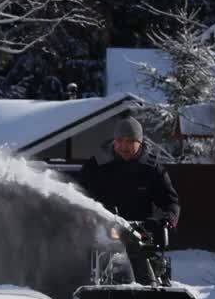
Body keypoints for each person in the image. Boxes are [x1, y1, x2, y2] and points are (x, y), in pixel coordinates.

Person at [77, 116, 181, 285]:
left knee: (148, 267)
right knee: (92, 264)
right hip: (104, 231)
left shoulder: (151, 169)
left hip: (141, 232)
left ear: (139, 142)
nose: (124, 146)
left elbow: (171, 202)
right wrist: (85, 216)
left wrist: (167, 221)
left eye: (130, 141)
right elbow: (79, 193)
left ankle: (151, 287)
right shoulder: (97, 165)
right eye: (120, 141)